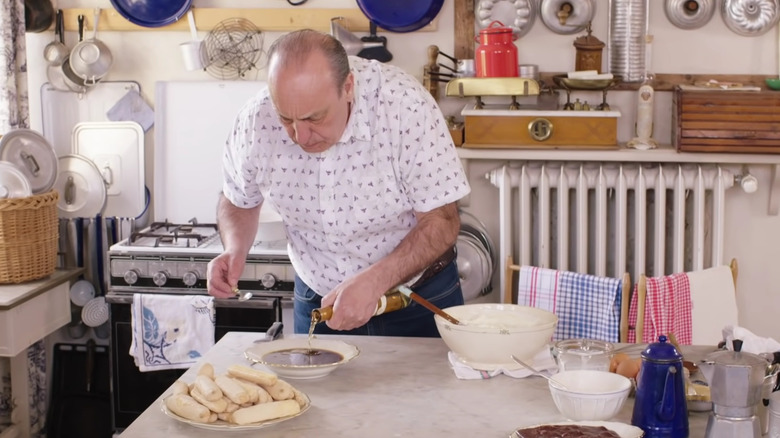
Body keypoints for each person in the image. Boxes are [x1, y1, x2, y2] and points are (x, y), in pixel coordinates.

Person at [206, 29, 471, 337]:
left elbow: (442, 221)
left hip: (416, 297)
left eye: (313, 119)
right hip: (320, 301)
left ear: (348, 88)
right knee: (314, 388)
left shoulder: (403, 107)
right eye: (286, 120)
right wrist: (235, 249)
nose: (299, 137)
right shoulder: (256, 119)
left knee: (434, 387)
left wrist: (374, 281)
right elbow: (238, 198)